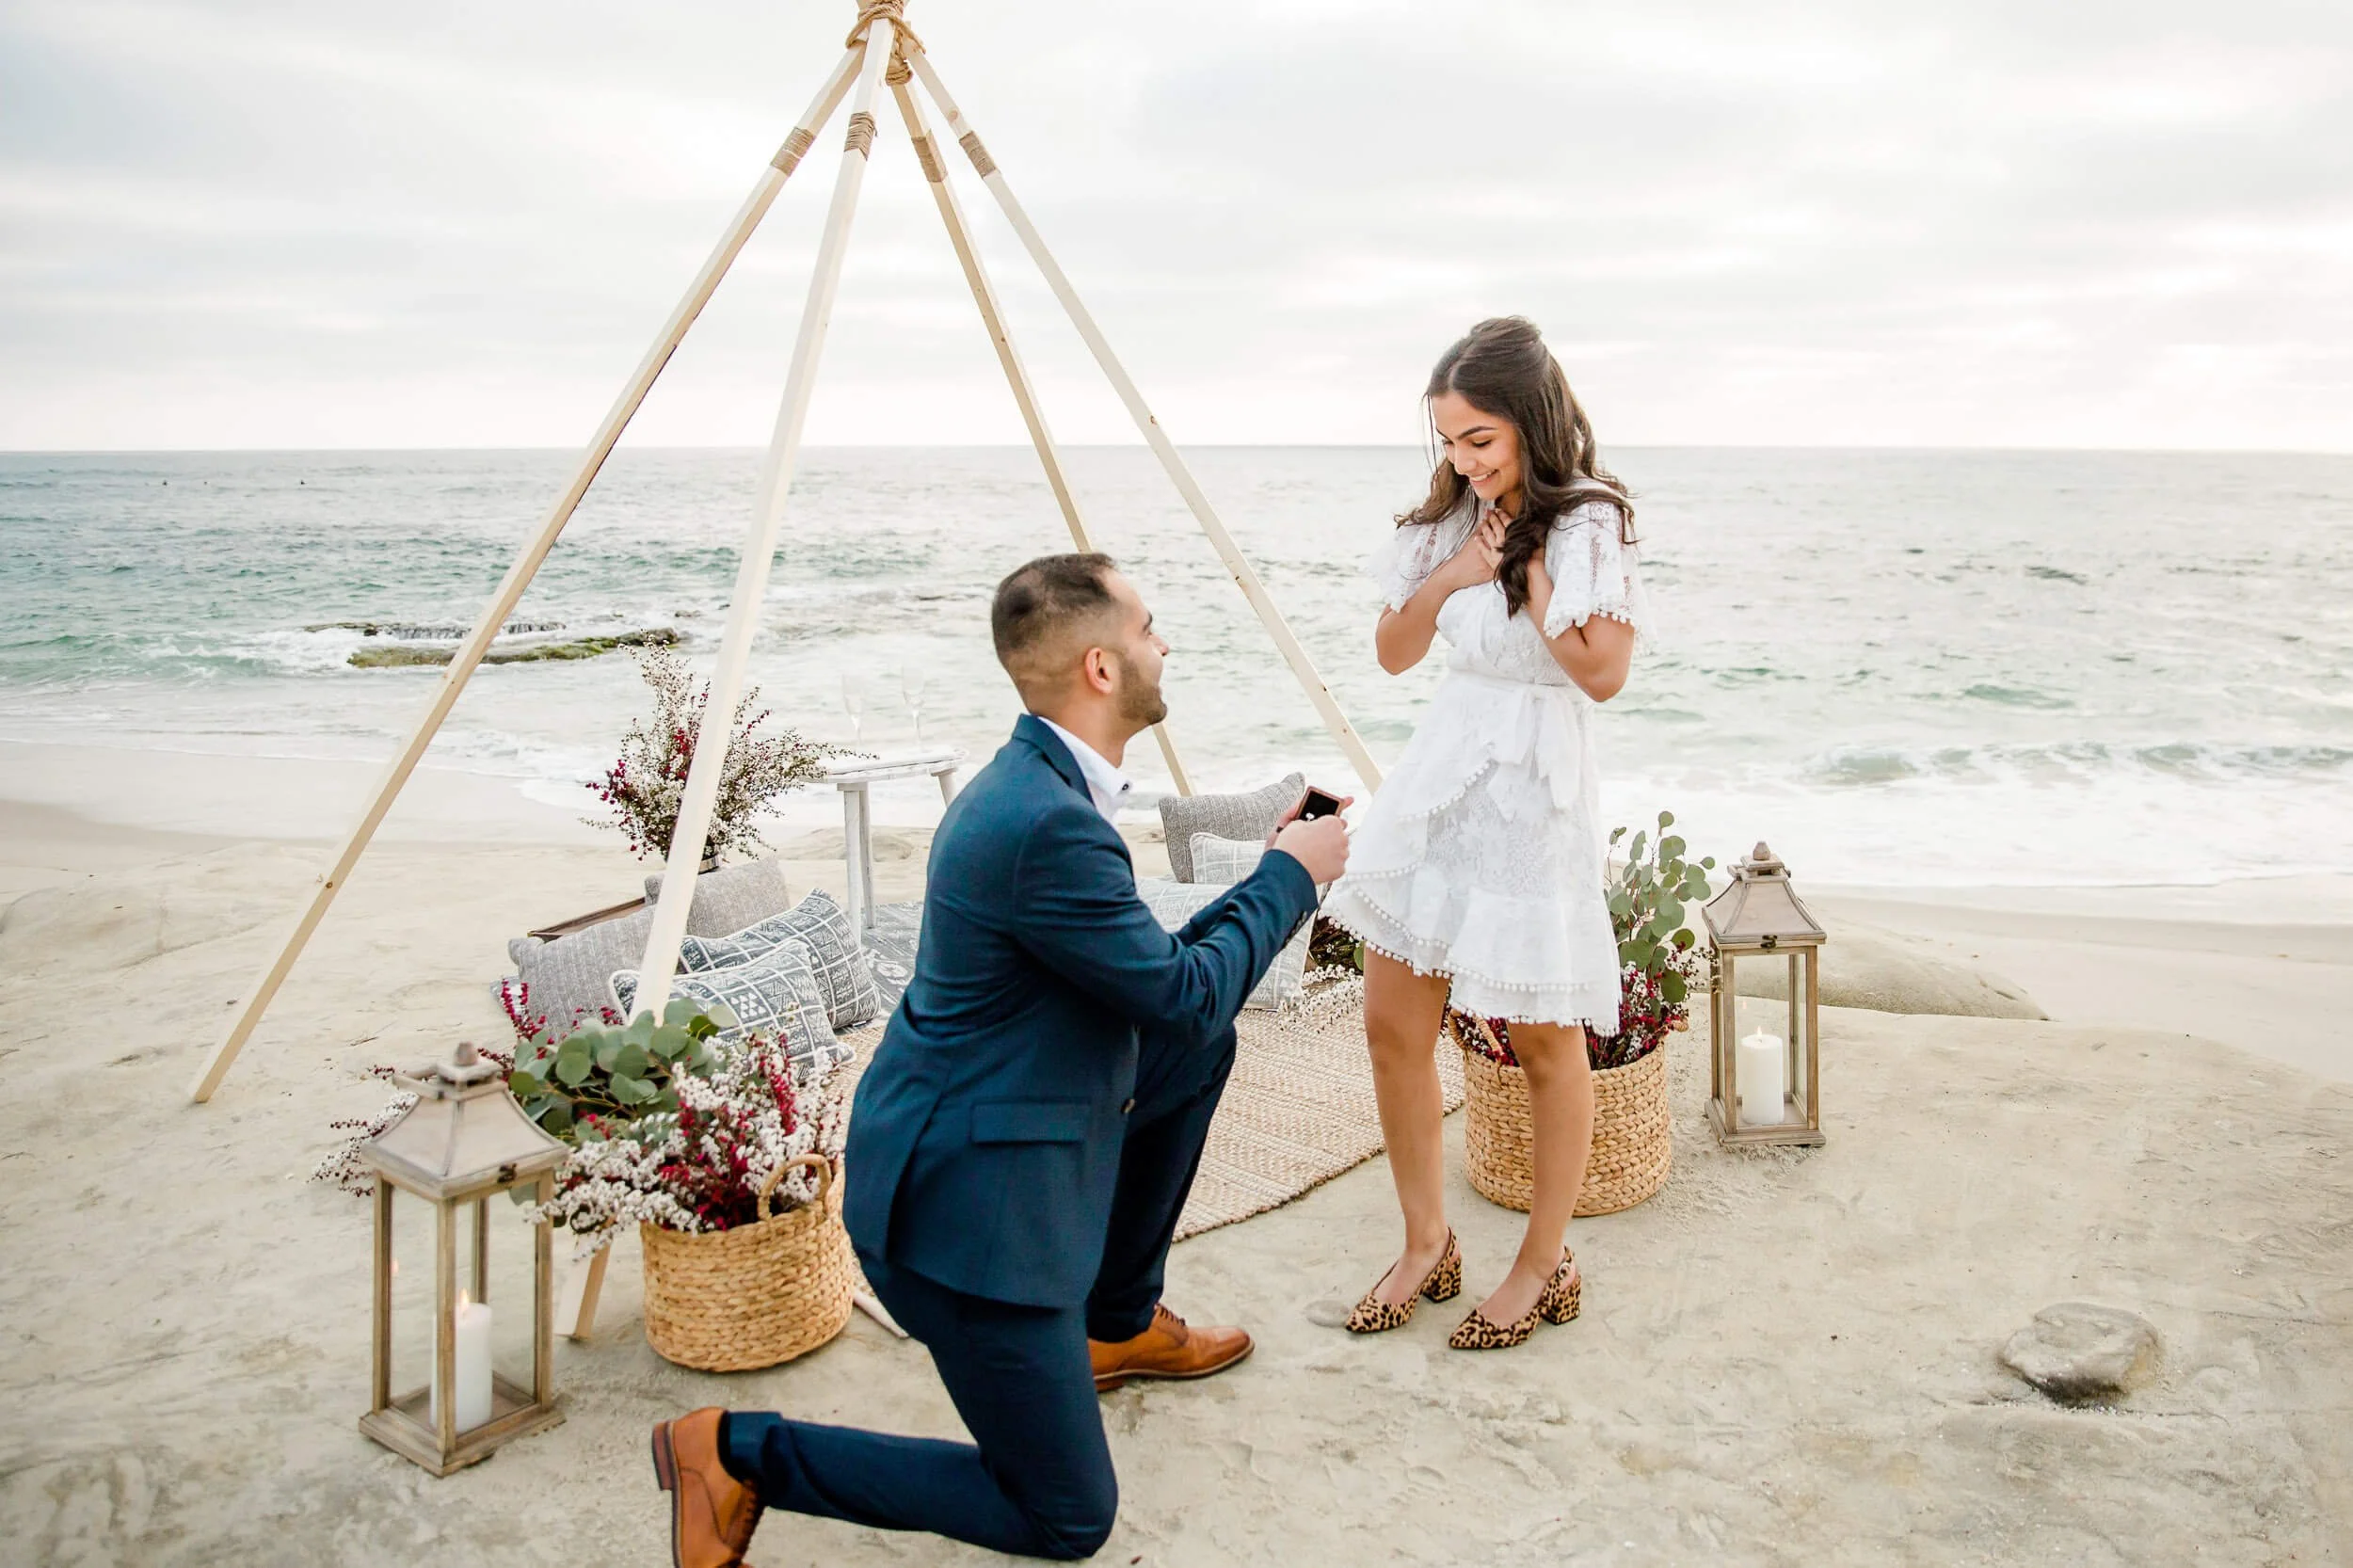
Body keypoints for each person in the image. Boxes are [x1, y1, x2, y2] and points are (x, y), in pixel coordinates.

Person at [650, 552, 1350, 1565]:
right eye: (1151, 627)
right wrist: (1288, 877)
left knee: (1196, 1051)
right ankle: (734, 1451)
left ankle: (1115, 1322)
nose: (1167, 644)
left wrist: (1272, 874)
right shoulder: (1043, 823)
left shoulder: (1049, 782)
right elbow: (1185, 988)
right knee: (1063, 1515)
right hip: (957, 1219)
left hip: (982, 1119)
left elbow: (1165, 986)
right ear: (1102, 668)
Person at [1321, 315, 1648, 1351]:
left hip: (1532, 794)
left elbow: (1602, 673)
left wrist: (1534, 570)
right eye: (1449, 441)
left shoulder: (1591, 521)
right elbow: (1390, 652)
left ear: (1530, 424)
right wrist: (1459, 569)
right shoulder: (1447, 522)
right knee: (1390, 1024)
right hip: (1443, 772)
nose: (1463, 461)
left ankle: (1542, 1264)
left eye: (1481, 441)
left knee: (1545, 1041)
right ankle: (1427, 1243)